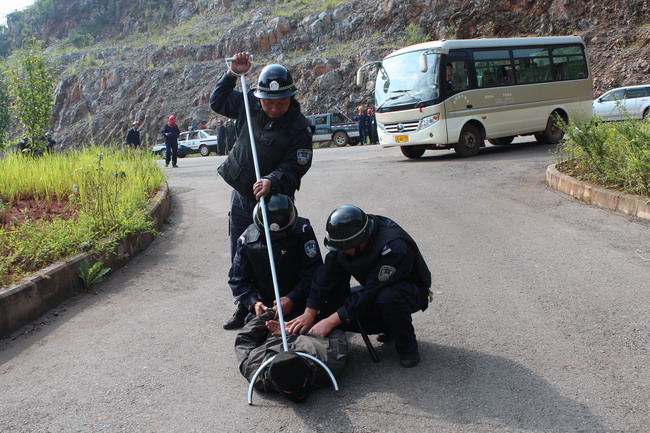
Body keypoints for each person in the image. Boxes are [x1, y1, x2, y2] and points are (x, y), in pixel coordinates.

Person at [210, 51, 314, 330]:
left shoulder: (299, 127)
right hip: (242, 194)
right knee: (241, 250)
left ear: (291, 97)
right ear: (260, 97)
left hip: (274, 200)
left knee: (274, 251)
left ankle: (284, 303)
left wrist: (272, 180)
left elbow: (297, 164)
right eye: (269, 102)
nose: (275, 108)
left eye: (281, 102)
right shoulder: (248, 103)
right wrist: (232, 74)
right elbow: (218, 101)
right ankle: (246, 305)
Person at [286, 205, 431, 368]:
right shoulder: (346, 238)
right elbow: (326, 275)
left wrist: (331, 321)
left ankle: (408, 347)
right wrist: (310, 312)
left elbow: (370, 292)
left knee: (387, 298)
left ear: (359, 241)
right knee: (333, 305)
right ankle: (389, 325)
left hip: (409, 292)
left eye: (343, 248)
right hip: (375, 287)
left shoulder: (394, 248)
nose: (341, 251)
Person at [226, 194, 323, 329]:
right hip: (266, 306)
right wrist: (253, 303)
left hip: (301, 301)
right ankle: (244, 310)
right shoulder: (247, 240)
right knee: (254, 334)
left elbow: (315, 271)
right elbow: (237, 279)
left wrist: (293, 298)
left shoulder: (302, 231)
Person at [235, 310, 348, 403]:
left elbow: (244, 339)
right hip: (313, 318)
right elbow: (335, 331)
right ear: (310, 366)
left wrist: (271, 312)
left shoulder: (257, 372)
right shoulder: (328, 363)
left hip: (276, 321)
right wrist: (301, 328)